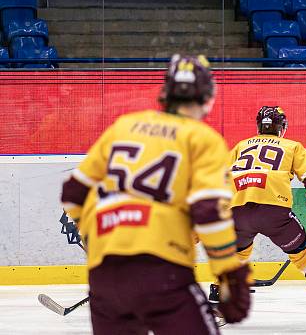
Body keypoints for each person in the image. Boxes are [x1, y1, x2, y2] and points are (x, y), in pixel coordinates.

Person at [60, 54, 251, 334]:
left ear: (165, 92)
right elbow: (210, 213)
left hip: (104, 275)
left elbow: (73, 193)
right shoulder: (204, 139)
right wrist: (229, 274)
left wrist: (96, 234)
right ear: (209, 97)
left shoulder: (124, 126)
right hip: (163, 271)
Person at [209, 105, 306, 327]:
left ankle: (217, 298)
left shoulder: (241, 146)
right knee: (303, 256)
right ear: (281, 128)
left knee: (237, 252)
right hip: (275, 212)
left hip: (237, 211)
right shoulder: (292, 146)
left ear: (259, 127)